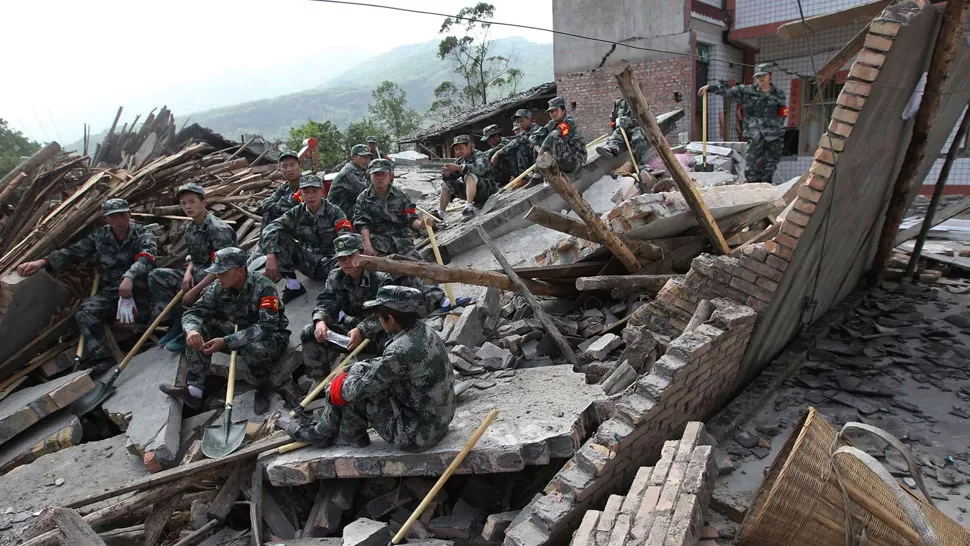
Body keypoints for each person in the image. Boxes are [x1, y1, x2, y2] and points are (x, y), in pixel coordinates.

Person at [286, 285, 455, 450]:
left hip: (418, 435)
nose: (378, 320)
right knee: (356, 371)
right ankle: (345, 434)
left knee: (351, 390)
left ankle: (322, 433)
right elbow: (386, 367)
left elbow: (359, 390)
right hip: (438, 419)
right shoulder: (422, 330)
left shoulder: (399, 350)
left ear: (391, 319)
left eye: (379, 316)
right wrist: (351, 369)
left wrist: (335, 386)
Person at [16, 199, 156, 373]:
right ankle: (102, 357)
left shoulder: (143, 234)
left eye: (122, 215)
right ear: (106, 219)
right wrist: (42, 262)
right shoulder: (100, 236)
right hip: (112, 291)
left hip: (140, 288)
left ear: (129, 214)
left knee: (141, 324)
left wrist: (130, 276)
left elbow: (147, 257)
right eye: (113, 217)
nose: (119, 221)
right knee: (86, 311)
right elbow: (72, 252)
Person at [159, 247, 290, 413]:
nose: (218, 276)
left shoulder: (264, 288)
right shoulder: (218, 287)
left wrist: (226, 341)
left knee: (253, 349)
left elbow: (266, 327)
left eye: (223, 272)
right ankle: (194, 392)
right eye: (217, 273)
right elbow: (193, 312)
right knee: (202, 328)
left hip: (272, 336)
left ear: (240, 271)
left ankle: (264, 388)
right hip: (238, 330)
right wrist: (192, 331)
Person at [149, 183, 237, 352]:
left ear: (203, 203)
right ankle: (178, 322)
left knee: (207, 293)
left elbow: (222, 267)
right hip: (197, 274)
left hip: (221, 278)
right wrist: (187, 274)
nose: (188, 207)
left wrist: (195, 290)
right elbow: (193, 257)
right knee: (157, 276)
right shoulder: (191, 227)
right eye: (184, 203)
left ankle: (195, 331)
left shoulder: (218, 229)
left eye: (192, 201)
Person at [299, 234, 392, 380]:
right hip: (349, 333)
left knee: (394, 347)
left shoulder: (379, 277)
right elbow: (327, 300)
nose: (347, 262)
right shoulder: (335, 276)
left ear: (361, 254)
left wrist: (362, 330)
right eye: (342, 258)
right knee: (310, 332)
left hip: (379, 332)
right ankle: (320, 382)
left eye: (351, 256)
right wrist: (320, 321)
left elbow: (388, 311)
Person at [262, 175, 353, 302]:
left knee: (348, 257)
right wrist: (270, 255)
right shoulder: (295, 212)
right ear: (301, 194)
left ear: (322, 191)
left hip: (330, 262)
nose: (311, 196)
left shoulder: (335, 212)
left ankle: (337, 291)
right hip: (306, 261)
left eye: (315, 191)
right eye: (306, 192)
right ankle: (293, 285)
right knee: (278, 235)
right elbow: (270, 228)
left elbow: (345, 236)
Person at [699, 63, 787, 183]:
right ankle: (753, 194)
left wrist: (775, 127)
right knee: (751, 169)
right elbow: (729, 92)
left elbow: (783, 112)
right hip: (755, 137)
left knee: (769, 170)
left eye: (763, 75)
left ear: (770, 75)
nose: (760, 78)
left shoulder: (779, 94)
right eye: (758, 76)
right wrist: (711, 88)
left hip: (773, 139)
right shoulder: (748, 91)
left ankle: (765, 195)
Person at [356, 159, 434, 258]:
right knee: (375, 272)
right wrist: (367, 246)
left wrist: (422, 225)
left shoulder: (402, 195)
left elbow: (411, 219)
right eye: (376, 174)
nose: (380, 178)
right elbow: (362, 225)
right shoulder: (363, 198)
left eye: (383, 174)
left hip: (402, 243)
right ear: (370, 176)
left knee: (418, 269)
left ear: (390, 176)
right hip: (377, 245)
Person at [437, 135, 496, 221]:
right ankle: (441, 213)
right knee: (446, 184)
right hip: (474, 193)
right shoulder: (460, 160)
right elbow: (454, 175)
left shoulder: (480, 155)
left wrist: (459, 167)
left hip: (487, 190)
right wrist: (447, 174)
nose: (459, 151)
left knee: (469, 176)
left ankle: (468, 208)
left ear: (469, 146)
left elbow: (479, 169)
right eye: (456, 149)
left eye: (461, 148)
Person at [530, 96, 588, 174]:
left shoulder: (569, 122)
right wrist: (538, 149)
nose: (553, 114)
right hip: (564, 158)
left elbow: (554, 135)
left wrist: (541, 153)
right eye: (551, 112)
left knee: (554, 138)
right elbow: (533, 136)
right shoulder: (551, 124)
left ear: (563, 111)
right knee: (539, 138)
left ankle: (552, 171)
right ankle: (537, 175)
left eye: (556, 110)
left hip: (575, 159)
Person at [595, 98, 651, 170]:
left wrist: (629, 121)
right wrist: (615, 124)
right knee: (615, 136)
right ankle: (610, 150)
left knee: (638, 139)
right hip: (621, 129)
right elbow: (612, 120)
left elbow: (645, 120)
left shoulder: (640, 101)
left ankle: (637, 163)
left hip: (636, 129)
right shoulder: (618, 102)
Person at [328, 144, 374, 220]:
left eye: (368, 157)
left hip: (347, 209)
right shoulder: (349, 171)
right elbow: (365, 192)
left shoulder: (359, 169)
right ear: (353, 157)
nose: (367, 160)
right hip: (337, 213)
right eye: (363, 157)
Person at [491, 108, 539, 180]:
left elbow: (519, 140)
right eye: (518, 122)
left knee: (520, 146)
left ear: (529, 119)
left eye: (522, 121)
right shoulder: (524, 132)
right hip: (531, 158)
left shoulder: (535, 129)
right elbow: (514, 139)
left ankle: (524, 177)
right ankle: (516, 176)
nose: (520, 124)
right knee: (510, 150)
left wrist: (498, 152)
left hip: (537, 157)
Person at [260, 151, 303, 227]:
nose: (289, 170)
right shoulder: (284, 187)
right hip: (286, 225)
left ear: (300, 165)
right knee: (268, 214)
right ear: (280, 169)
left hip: (304, 226)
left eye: (292, 165)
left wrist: (280, 207)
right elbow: (266, 203)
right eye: (284, 166)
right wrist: (281, 208)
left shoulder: (308, 185)